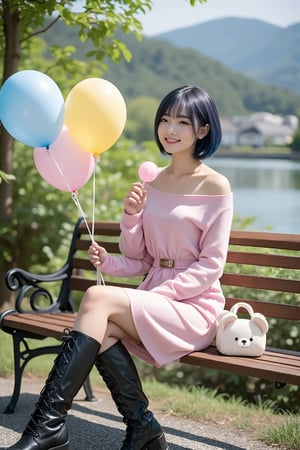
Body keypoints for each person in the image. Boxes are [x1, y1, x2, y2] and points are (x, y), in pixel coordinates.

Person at [5, 85, 233, 450]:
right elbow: (140, 256)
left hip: (194, 305)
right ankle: (142, 426)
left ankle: (46, 426)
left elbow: (211, 266)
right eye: (164, 120)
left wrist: (160, 294)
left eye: (181, 122)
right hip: (156, 298)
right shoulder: (153, 179)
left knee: (97, 298)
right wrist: (130, 217)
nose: (169, 129)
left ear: (203, 130)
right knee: (104, 326)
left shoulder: (215, 185)